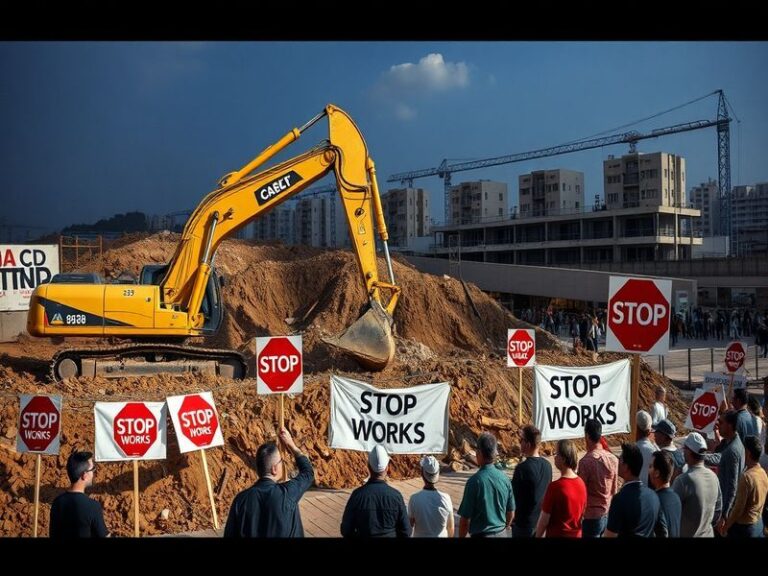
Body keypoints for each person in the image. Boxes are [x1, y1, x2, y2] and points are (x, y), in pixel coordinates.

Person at [224, 427, 314, 537]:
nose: (283, 464)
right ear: (274, 469)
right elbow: (308, 473)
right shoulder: (287, 493)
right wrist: (291, 445)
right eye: (281, 461)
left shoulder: (240, 500)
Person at [340, 445, 409, 537]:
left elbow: (346, 530)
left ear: (368, 467)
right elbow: (406, 531)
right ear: (387, 468)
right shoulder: (396, 496)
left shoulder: (357, 495)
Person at [458, 432, 515, 537]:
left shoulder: (474, 482)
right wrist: (505, 526)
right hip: (502, 533)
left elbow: (464, 520)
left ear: (479, 453)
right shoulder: (505, 479)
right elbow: (511, 512)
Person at [672, 432, 722, 537]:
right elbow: (717, 511)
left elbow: (671, 513)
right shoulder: (714, 477)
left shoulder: (683, 480)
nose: (683, 451)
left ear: (689, 452)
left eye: (685, 448)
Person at [604, 443, 660, 538]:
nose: (618, 462)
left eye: (620, 459)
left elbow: (610, 535)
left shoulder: (619, 499)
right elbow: (661, 530)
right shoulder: (653, 496)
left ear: (626, 467)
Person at [49, 450, 109, 538]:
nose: (93, 473)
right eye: (93, 469)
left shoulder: (57, 503)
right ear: (84, 475)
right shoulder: (93, 507)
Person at [535, 439, 587, 538]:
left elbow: (544, 520)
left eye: (556, 453)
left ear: (563, 459)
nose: (554, 457)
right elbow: (582, 513)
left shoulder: (555, 487)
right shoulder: (581, 483)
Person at [719, 435, 768, 538]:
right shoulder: (763, 473)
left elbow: (738, 508)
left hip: (745, 529)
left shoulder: (746, 477)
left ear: (748, 453)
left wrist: (726, 526)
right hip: (758, 524)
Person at [577, 418, 618, 538]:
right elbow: (614, 490)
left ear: (587, 436)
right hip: (607, 514)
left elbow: (580, 493)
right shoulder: (613, 459)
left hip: (591, 517)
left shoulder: (585, 462)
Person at [511, 425, 552, 538]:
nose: (520, 443)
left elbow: (513, 498)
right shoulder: (548, 466)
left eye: (521, 440)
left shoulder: (521, 469)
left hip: (523, 525)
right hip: (541, 521)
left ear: (528, 444)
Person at [408, 455, 454, 537]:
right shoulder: (446, 498)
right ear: (438, 473)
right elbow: (450, 528)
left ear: (422, 474)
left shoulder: (414, 499)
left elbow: (409, 525)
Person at [649, 451, 682, 538]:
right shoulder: (676, 497)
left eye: (650, 466)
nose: (648, 470)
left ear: (657, 473)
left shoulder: (653, 502)